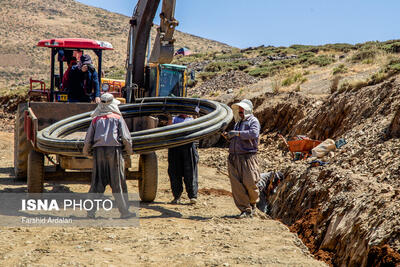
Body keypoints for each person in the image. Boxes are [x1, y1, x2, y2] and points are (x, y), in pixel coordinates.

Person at [83, 93, 134, 219]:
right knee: (118, 182)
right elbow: (126, 138)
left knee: (97, 182)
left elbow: (88, 139)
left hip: (98, 152)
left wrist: (86, 152)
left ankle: (90, 212)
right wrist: (129, 151)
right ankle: (124, 212)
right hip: (114, 152)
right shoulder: (117, 118)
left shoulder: (95, 120)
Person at [224, 99, 261, 218]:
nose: (240, 114)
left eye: (242, 111)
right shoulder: (238, 123)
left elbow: (254, 134)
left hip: (247, 156)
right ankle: (245, 209)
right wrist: (228, 136)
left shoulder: (253, 121)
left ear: (247, 110)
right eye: (239, 112)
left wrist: (237, 133)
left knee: (250, 182)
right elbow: (235, 138)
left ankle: (253, 204)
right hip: (234, 157)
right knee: (236, 185)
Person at [167, 114, 199, 204]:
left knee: (190, 172)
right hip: (175, 147)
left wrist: (196, 119)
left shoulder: (192, 119)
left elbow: (197, 130)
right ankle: (176, 196)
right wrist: (169, 118)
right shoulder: (174, 119)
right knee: (174, 172)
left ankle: (192, 196)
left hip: (189, 146)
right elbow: (167, 131)